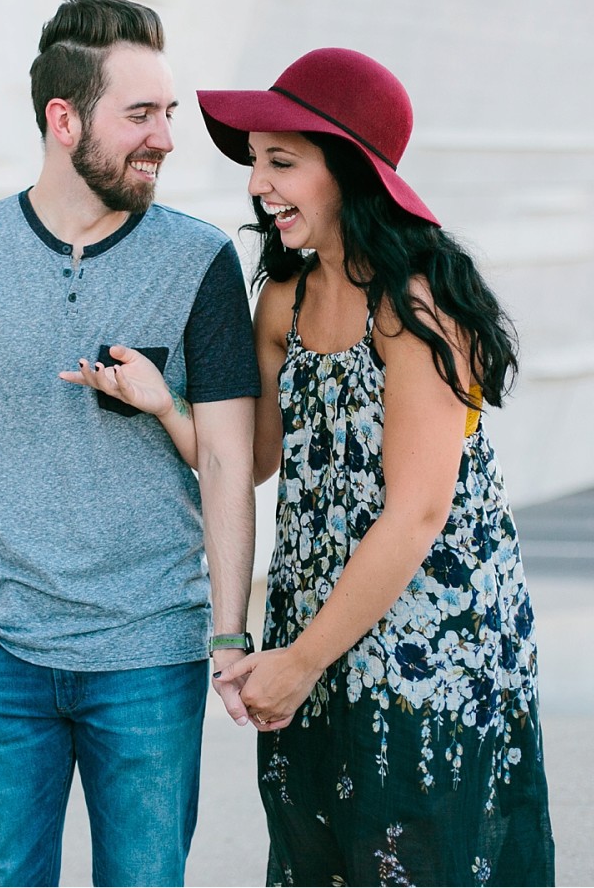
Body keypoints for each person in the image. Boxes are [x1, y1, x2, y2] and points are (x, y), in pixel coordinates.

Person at [83, 48, 555, 886]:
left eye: (283, 162)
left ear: (350, 170)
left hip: (430, 646)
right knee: (318, 859)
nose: (259, 185)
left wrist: (299, 661)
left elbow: (416, 513)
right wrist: (164, 403)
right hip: (315, 626)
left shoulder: (420, 302)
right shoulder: (286, 299)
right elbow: (251, 459)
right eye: (257, 162)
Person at [0, 0, 260, 888]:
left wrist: (230, 628)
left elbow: (231, 460)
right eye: (141, 115)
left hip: (151, 655)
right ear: (63, 119)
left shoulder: (200, 262)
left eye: (166, 113)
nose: (166, 136)